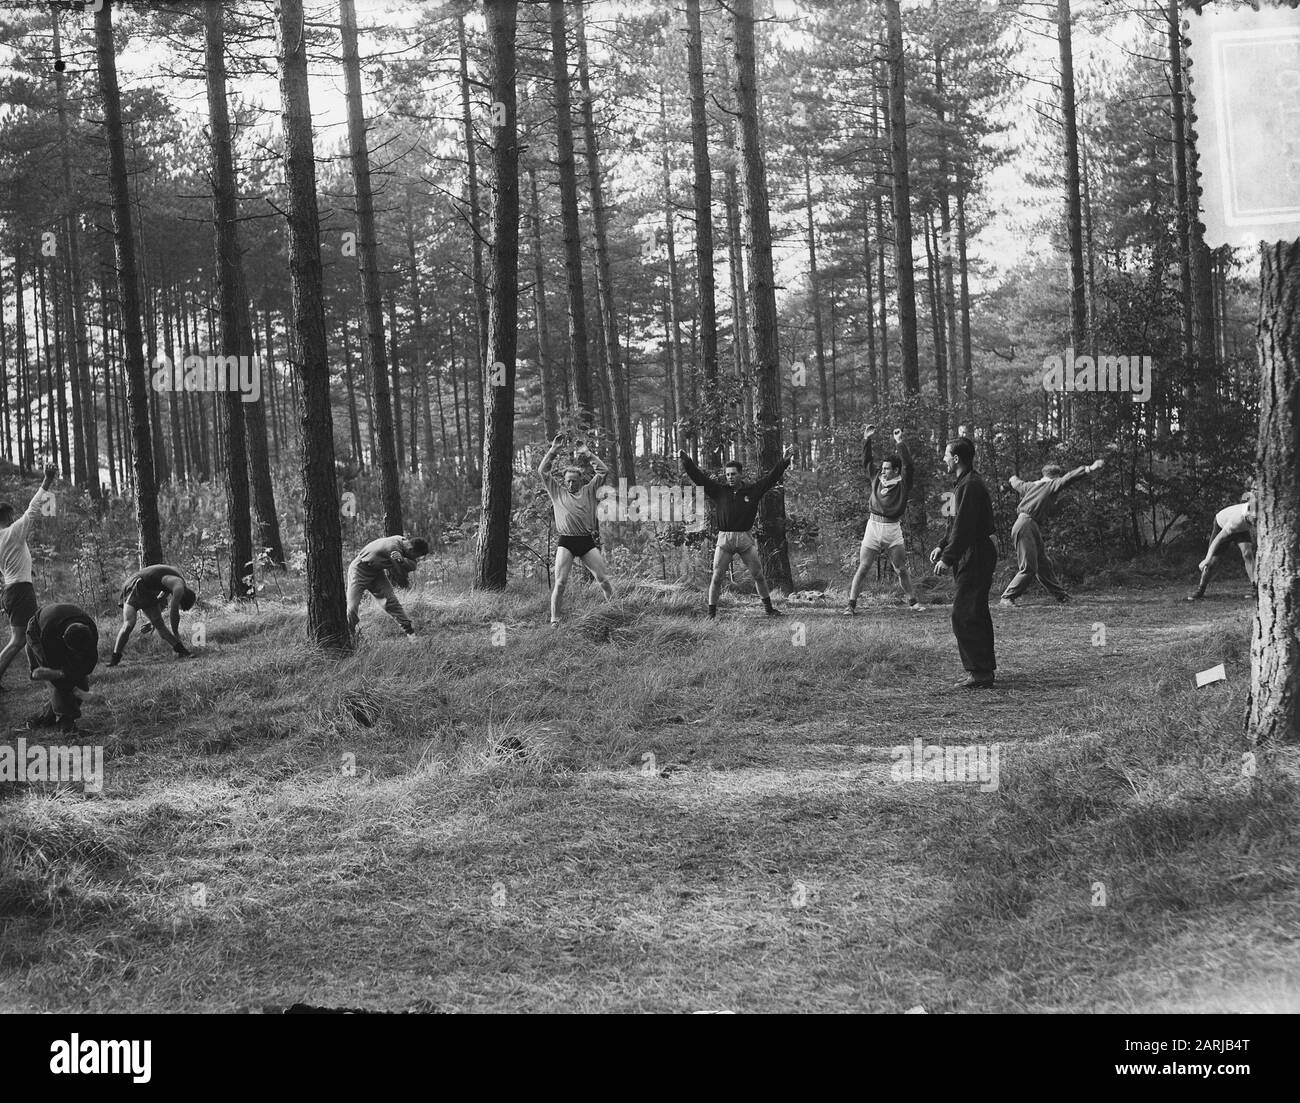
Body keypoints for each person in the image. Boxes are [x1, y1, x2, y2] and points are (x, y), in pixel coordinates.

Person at [681, 446, 795, 619]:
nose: (730, 477)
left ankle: (769, 609)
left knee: (758, 575)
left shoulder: (753, 491)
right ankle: (711, 614)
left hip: (744, 539)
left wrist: (785, 461)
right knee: (717, 577)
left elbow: (770, 479)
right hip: (725, 539)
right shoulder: (719, 491)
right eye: (727, 475)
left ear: (740, 474)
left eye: (733, 474)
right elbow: (699, 478)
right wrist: (687, 462)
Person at [931, 437, 998, 689]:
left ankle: (979, 673)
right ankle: (983, 670)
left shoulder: (971, 485)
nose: (944, 459)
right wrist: (941, 544)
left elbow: (965, 527)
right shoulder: (958, 484)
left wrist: (949, 558)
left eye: (946, 455)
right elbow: (952, 523)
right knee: (974, 610)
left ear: (956, 458)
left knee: (965, 612)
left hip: (977, 553)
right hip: (969, 552)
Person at [1000, 457, 1104, 606]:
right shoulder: (1051, 484)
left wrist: (1011, 479)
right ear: (1055, 476)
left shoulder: (1030, 486)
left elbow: (1017, 483)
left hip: (1029, 524)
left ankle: (1062, 596)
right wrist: (1090, 468)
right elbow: (1068, 478)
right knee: (1029, 567)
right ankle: (1007, 597)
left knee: (1044, 564)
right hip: (1026, 524)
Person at [537, 433, 615, 625]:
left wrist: (587, 453)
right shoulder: (557, 492)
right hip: (566, 541)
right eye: (568, 480)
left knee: (603, 580)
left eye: (574, 480)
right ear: (564, 481)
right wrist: (553, 451)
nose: (571, 483)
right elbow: (542, 472)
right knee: (561, 583)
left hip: (585, 541)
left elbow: (603, 471)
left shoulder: (589, 490)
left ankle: (615, 610)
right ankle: (555, 620)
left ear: (581, 480)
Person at [845, 425, 923, 614]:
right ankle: (851, 605)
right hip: (873, 526)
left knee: (901, 569)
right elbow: (867, 462)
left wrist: (899, 443)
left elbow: (910, 466)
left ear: (896, 470)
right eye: (883, 468)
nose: (883, 471)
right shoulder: (876, 479)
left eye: (887, 469)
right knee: (863, 567)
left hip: (892, 529)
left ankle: (913, 602)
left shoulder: (903, 483)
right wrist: (867, 439)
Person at [0, 463, 58, 689]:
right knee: (19, 640)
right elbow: (34, 509)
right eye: (13, 515)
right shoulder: (12, 532)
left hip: (12, 590)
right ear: (9, 515)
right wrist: (48, 479)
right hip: (20, 591)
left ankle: (36, 671)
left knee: (32, 632)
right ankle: (36, 671)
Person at [25, 602, 99, 733]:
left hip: (57, 620)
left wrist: (80, 686)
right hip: (37, 630)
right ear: (63, 639)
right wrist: (78, 691)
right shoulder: (50, 636)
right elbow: (55, 676)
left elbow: (88, 663)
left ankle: (44, 718)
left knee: (80, 681)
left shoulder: (90, 629)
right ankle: (67, 727)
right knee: (56, 676)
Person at [108, 564, 198, 665]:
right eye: (180, 605)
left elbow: (160, 600)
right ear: (184, 597)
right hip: (135, 584)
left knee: (158, 623)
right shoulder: (179, 588)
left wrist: (151, 622)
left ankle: (182, 651)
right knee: (129, 624)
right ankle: (115, 658)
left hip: (141, 586)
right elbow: (174, 612)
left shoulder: (175, 582)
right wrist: (176, 633)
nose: (178, 606)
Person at [346, 536, 430, 638]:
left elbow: (413, 566)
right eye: (416, 556)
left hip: (376, 572)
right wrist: (401, 562)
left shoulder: (403, 542)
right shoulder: (393, 548)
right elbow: (401, 574)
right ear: (411, 550)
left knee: (391, 601)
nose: (415, 558)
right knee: (352, 606)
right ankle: (350, 635)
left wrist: (402, 560)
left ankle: (410, 633)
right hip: (359, 570)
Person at [1188, 493, 1256, 600]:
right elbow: (1217, 539)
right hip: (1222, 525)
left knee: (1247, 554)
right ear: (1248, 515)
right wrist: (1206, 559)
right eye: (1254, 519)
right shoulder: (1236, 521)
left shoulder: (1256, 511)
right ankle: (1200, 591)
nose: (1256, 522)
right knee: (1212, 562)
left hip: (1242, 529)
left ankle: (1255, 588)